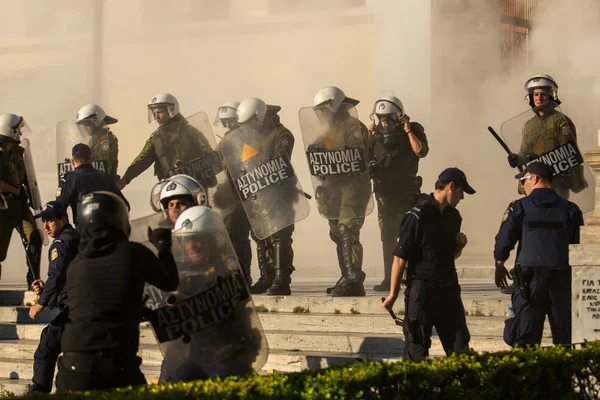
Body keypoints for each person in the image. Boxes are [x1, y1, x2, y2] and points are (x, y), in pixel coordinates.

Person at [56, 191, 179, 392]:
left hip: (73, 362)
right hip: (115, 359)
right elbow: (169, 282)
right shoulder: (132, 253)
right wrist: (164, 246)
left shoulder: (77, 265)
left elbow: (96, 306)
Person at [381, 167, 475, 360]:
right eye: (461, 191)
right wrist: (393, 294)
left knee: (460, 349)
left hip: (449, 291)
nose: (462, 197)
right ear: (450, 187)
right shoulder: (417, 216)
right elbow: (400, 257)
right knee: (417, 350)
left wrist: (460, 247)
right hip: (422, 292)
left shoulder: (453, 217)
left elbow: (449, 256)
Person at [494, 162, 583, 348]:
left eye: (524, 180)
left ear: (533, 179)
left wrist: (499, 263)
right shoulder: (570, 209)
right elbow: (578, 247)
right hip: (561, 284)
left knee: (525, 342)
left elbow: (504, 241)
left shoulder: (520, 207)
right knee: (564, 342)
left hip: (529, 285)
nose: (522, 185)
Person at [312, 86, 371, 297]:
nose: (322, 115)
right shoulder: (327, 132)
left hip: (353, 187)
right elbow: (319, 154)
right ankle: (347, 275)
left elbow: (358, 155)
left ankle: (354, 280)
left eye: (324, 110)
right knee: (337, 232)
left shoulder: (353, 127)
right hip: (333, 190)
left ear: (335, 106)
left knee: (348, 230)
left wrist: (336, 156)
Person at [367, 96, 429, 292]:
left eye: (388, 117)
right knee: (387, 237)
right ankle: (389, 277)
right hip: (384, 194)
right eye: (381, 118)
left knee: (408, 235)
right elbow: (363, 159)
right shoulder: (374, 135)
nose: (385, 122)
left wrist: (408, 129)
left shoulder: (412, 130)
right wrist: (367, 139)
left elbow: (421, 151)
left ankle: (411, 276)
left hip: (406, 192)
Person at [27, 201, 80, 393]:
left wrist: (40, 303)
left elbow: (57, 276)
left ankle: (38, 393)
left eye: (51, 221)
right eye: (44, 222)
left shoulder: (61, 243)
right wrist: (45, 289)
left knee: (46, 349)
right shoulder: (74, 237)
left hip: (75, 309)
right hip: (78, 305)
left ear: (64, 219)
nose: (47, 226)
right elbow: (66, 277)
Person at [117, 93, 213, 190]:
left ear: (172, 111)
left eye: (160, 112)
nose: (156, 117)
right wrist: (125, 179)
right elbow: (142, 160)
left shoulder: (190, 132)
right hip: (171, 186)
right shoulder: (156, 139)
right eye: (154, 113)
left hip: (196, 184)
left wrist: (189, 164)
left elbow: (209, 154)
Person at [507, 74, 581, 198]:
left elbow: (569, 153)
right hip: (533, 183)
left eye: (543, 94)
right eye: (536, 95)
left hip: (555, 183)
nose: (539, 98)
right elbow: (524, 153)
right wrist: (517, 159)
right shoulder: (529, 125)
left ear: (551, 96)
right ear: (530, 97)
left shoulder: (561, 121)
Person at [0, 113, 42, 289]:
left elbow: (28, 177)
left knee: (34, 238)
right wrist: (16, 190)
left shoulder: (19, 152)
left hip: (20, 205)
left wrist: (33, 197)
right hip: (2, 206)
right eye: (18, 130)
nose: (20, 134)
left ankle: (33, 282)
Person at [213, 101, 253, 284]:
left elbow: (250, 171)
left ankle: (243, 277)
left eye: (230, 120)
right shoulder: (226, 141)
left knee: (240, 238)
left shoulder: (248, 140)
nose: (227, 125)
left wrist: (240, 198)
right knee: (228, 237)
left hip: (244, 197)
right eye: (224, 122)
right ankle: (233, 277)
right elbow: (212, 163)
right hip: (228, 197)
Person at [56, 143, 129, 225]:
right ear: (91, 159)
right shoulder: (106, 177)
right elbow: (124, 205)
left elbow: (59, 210)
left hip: (83, 232)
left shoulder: (69, 179)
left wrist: (68, 234)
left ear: (72, 162)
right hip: (108, 231)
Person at [75, 104, 120, 180]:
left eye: (87, 124)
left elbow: (104, 162)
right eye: (83, 125)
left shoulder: (106, 140)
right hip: (93, 179)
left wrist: (81, 161)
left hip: (105, 183)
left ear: (97, 122)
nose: (85, 128)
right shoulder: (93, 140)